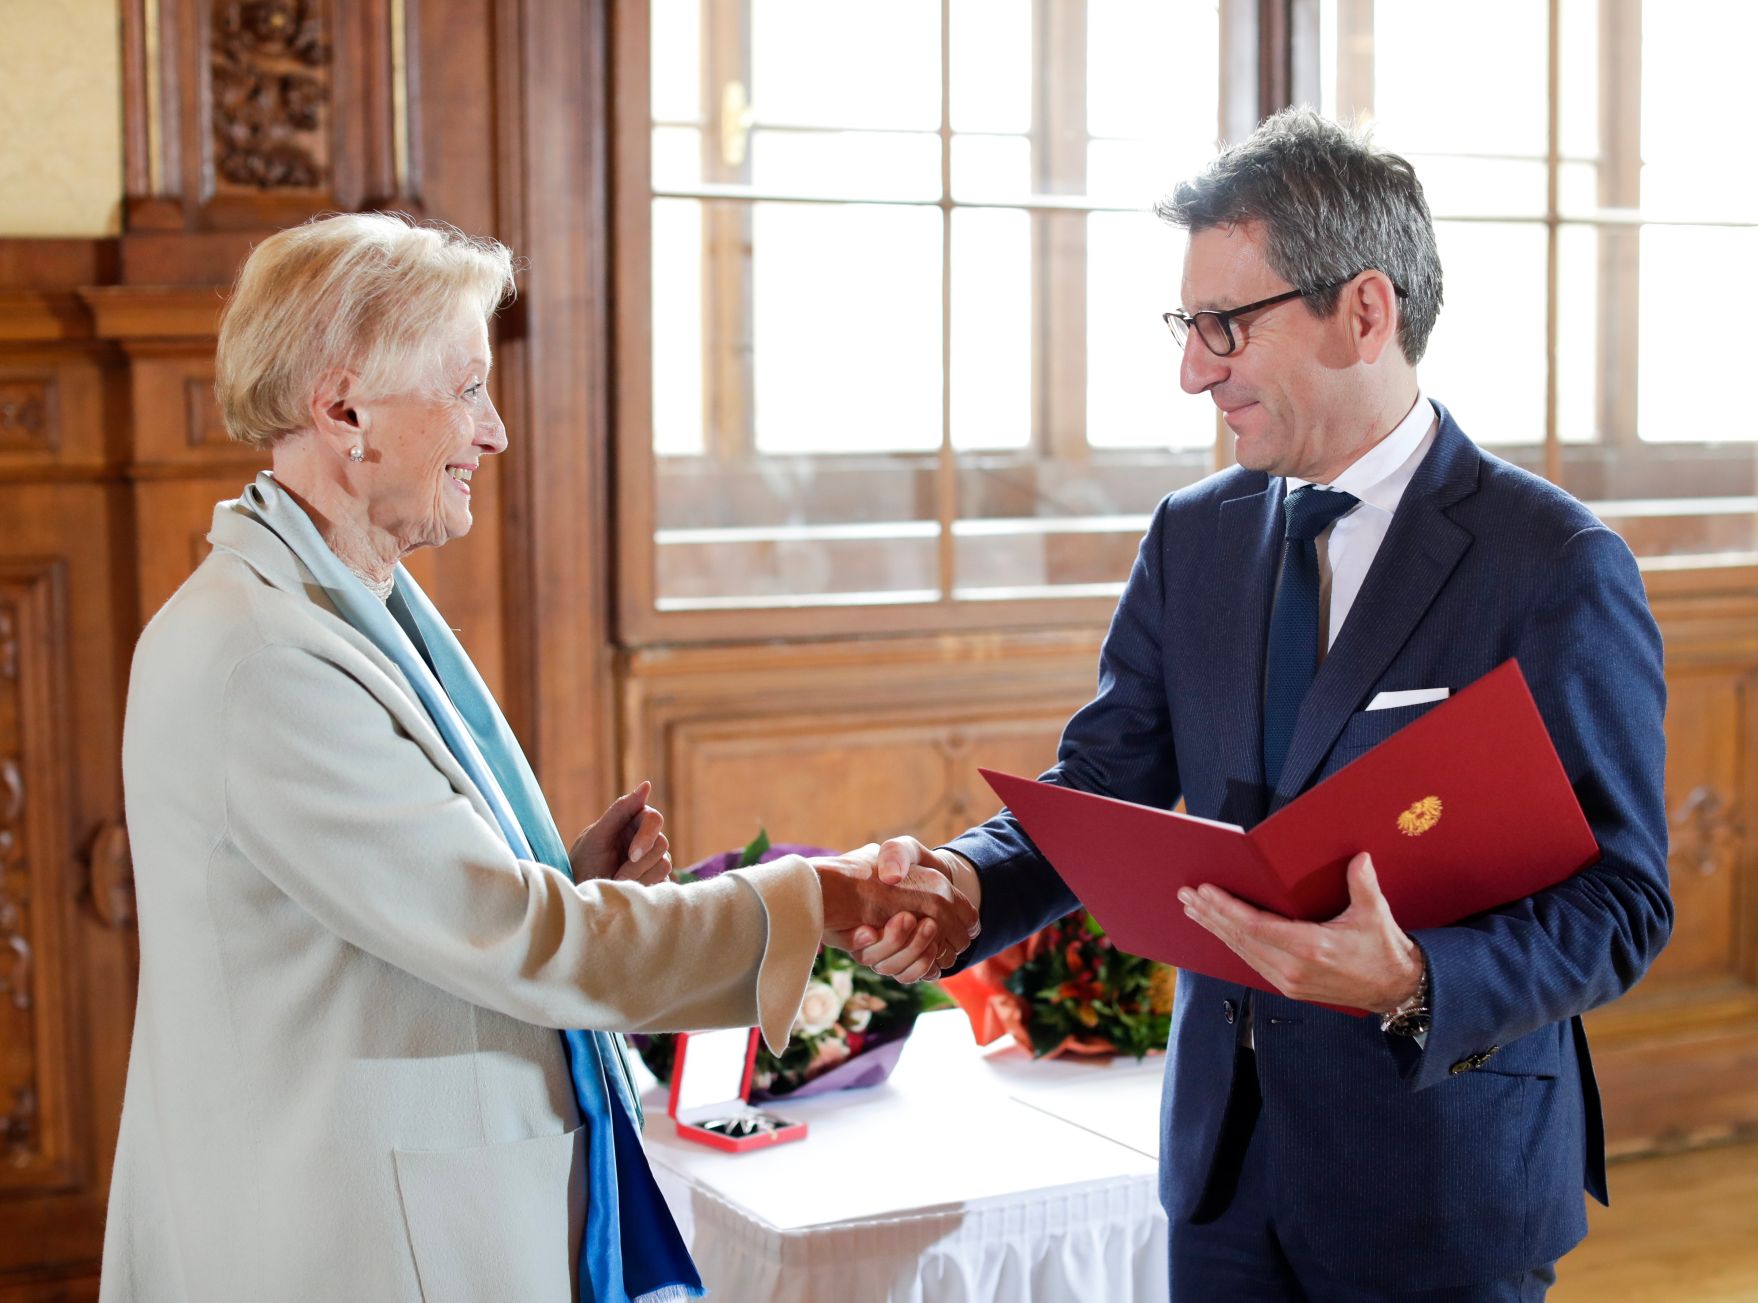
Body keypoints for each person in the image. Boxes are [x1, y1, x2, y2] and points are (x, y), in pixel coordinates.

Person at [840, 109, 1670, 1301]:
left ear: (1365, 311)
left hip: (1437, 1180)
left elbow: (1620, 901)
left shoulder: (1552, 563)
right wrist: (966, 884)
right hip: (1221, 1174)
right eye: (1187, 326)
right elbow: (1101, 789)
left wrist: (1413, 979)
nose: (1192, 368)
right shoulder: (1195, 535)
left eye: (1224, 325)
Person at [99, 212, 978, 1303]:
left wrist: (569, 877)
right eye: (466, 388)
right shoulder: (260, 655)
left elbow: (410, 912)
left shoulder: (345, 602)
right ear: (342, 409)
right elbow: (516, 938)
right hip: (337, 1231)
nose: (495, 430)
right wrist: (825, 895)